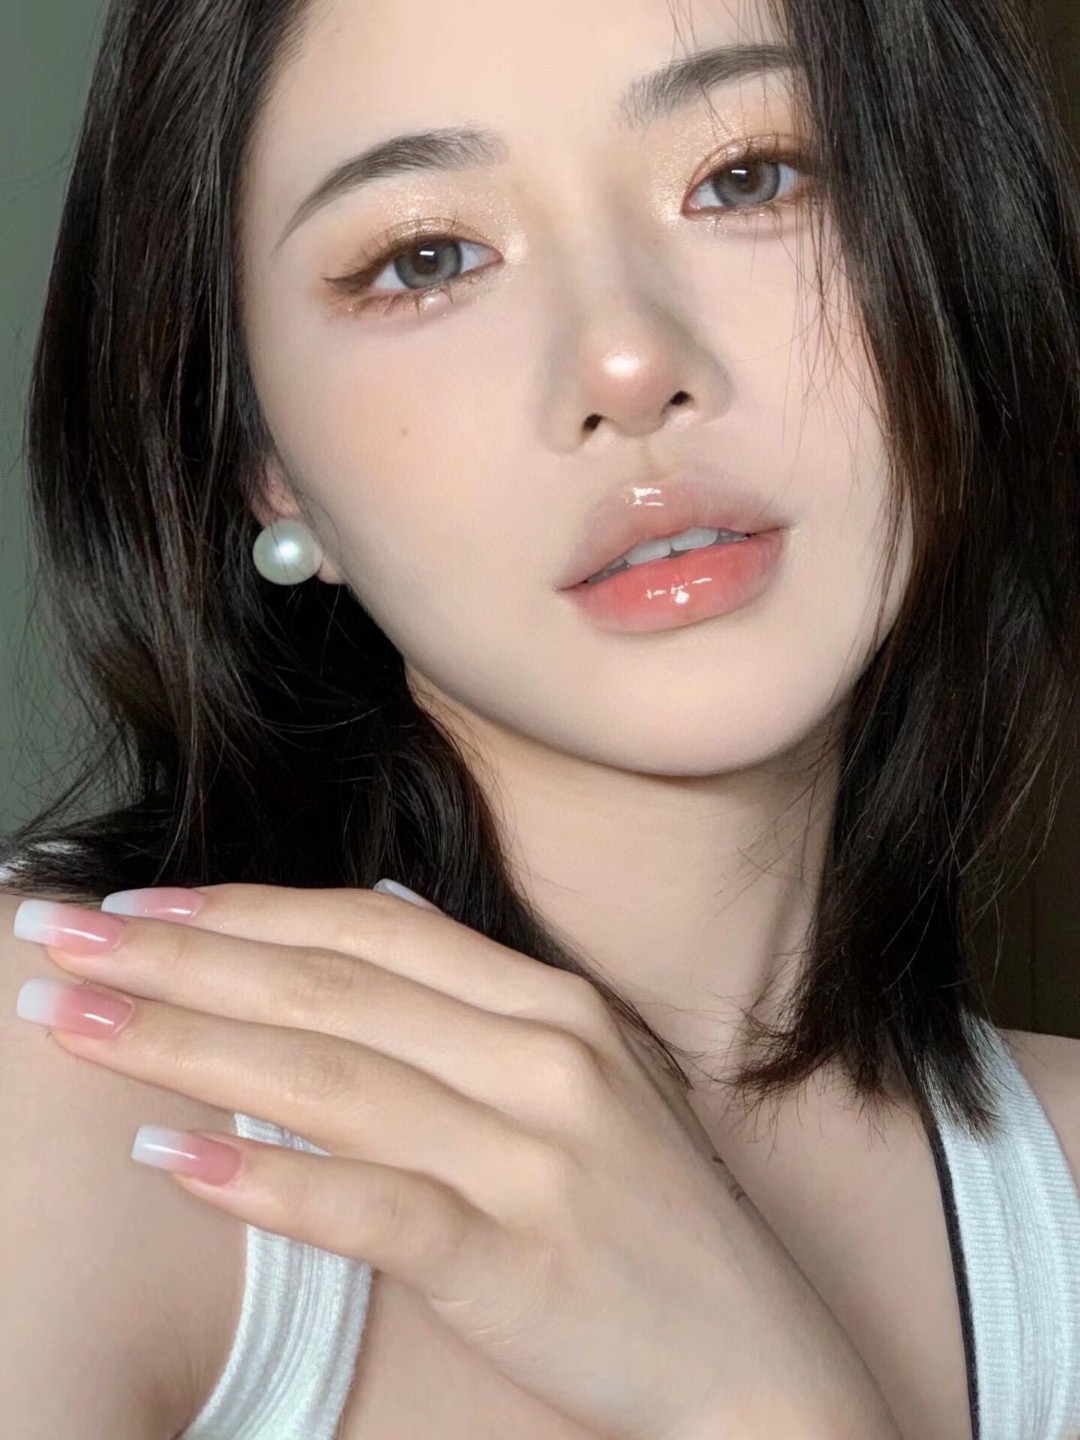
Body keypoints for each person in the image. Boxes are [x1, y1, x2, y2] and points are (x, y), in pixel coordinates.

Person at [1, 0, 1079, 1434]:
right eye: (427, 259)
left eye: (747, 176)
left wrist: (766, 1401)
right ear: (264, 459)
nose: (627, 364)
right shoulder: (71, 1078)